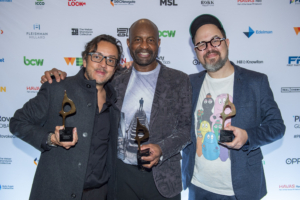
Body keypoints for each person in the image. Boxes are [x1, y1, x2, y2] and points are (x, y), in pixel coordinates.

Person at [41, 19, 192, 200]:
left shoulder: (179, 80)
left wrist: (161, 150)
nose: (144, 45)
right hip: (120, 177)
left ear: (159, 43)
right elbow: (86, 80)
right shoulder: (115, 77)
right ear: (129, 43)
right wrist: (58, 76)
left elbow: (186, 129)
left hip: (163, 178)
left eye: (150, 40)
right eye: (138, 39)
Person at [181, 14, 286, 200]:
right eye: (201, 44)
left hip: (242, 191)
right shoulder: (189, 83)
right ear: (196, 51)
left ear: (226, 42)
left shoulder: (256, 82)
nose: (209, 48)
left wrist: (248, 136)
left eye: (215, 40)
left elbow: (277, 127)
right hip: (198, 187)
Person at [10, 34, 123, 200]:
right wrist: (50, 139)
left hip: (99, 193)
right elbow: (17, 123)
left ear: (115, 67)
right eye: (97, 56)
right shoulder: (58, 88)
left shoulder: (116, 100)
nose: (103, 64)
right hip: (56, 192)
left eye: (110, 60)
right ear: (85, 60)